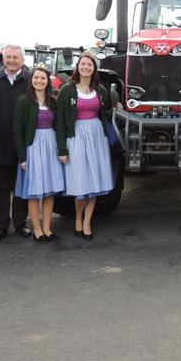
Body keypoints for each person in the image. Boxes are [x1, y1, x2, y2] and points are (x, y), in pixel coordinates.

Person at [56, 51, 114, 240]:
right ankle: (78, 220)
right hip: (76, 138)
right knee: (80, 181)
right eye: (83, 64)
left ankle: (87, 222)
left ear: (94, 68)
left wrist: (117, 108)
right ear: (78, 67)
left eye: (90, 64)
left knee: (94, 180)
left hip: (96, 137)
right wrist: (62, 150)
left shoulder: (100, 90)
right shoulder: (67, 90)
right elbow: (61, 121)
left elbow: (106, 113)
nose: (86, 67)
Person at [13, 67, 65, 243]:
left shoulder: (52, 101)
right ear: (31, 80)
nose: (39, 81)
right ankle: (37, 229)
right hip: (33, 148)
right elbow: (17, 132)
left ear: (47, 81)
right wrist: (22, 158)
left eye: (43, 78)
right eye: (36, 78)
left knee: (49, 191)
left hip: (50, 146)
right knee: (35, 192)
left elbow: (59, 126)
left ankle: (47, 228)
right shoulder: (23, 101)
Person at [0, 44, 31, 241]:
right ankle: (2, 225)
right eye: (9, 57)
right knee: (1, 187)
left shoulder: (31, 80)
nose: (12, 60)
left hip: (25, 144)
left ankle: (20, 223)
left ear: (22, 60)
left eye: (16, 57)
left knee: (22, 187)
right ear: (3, 58)